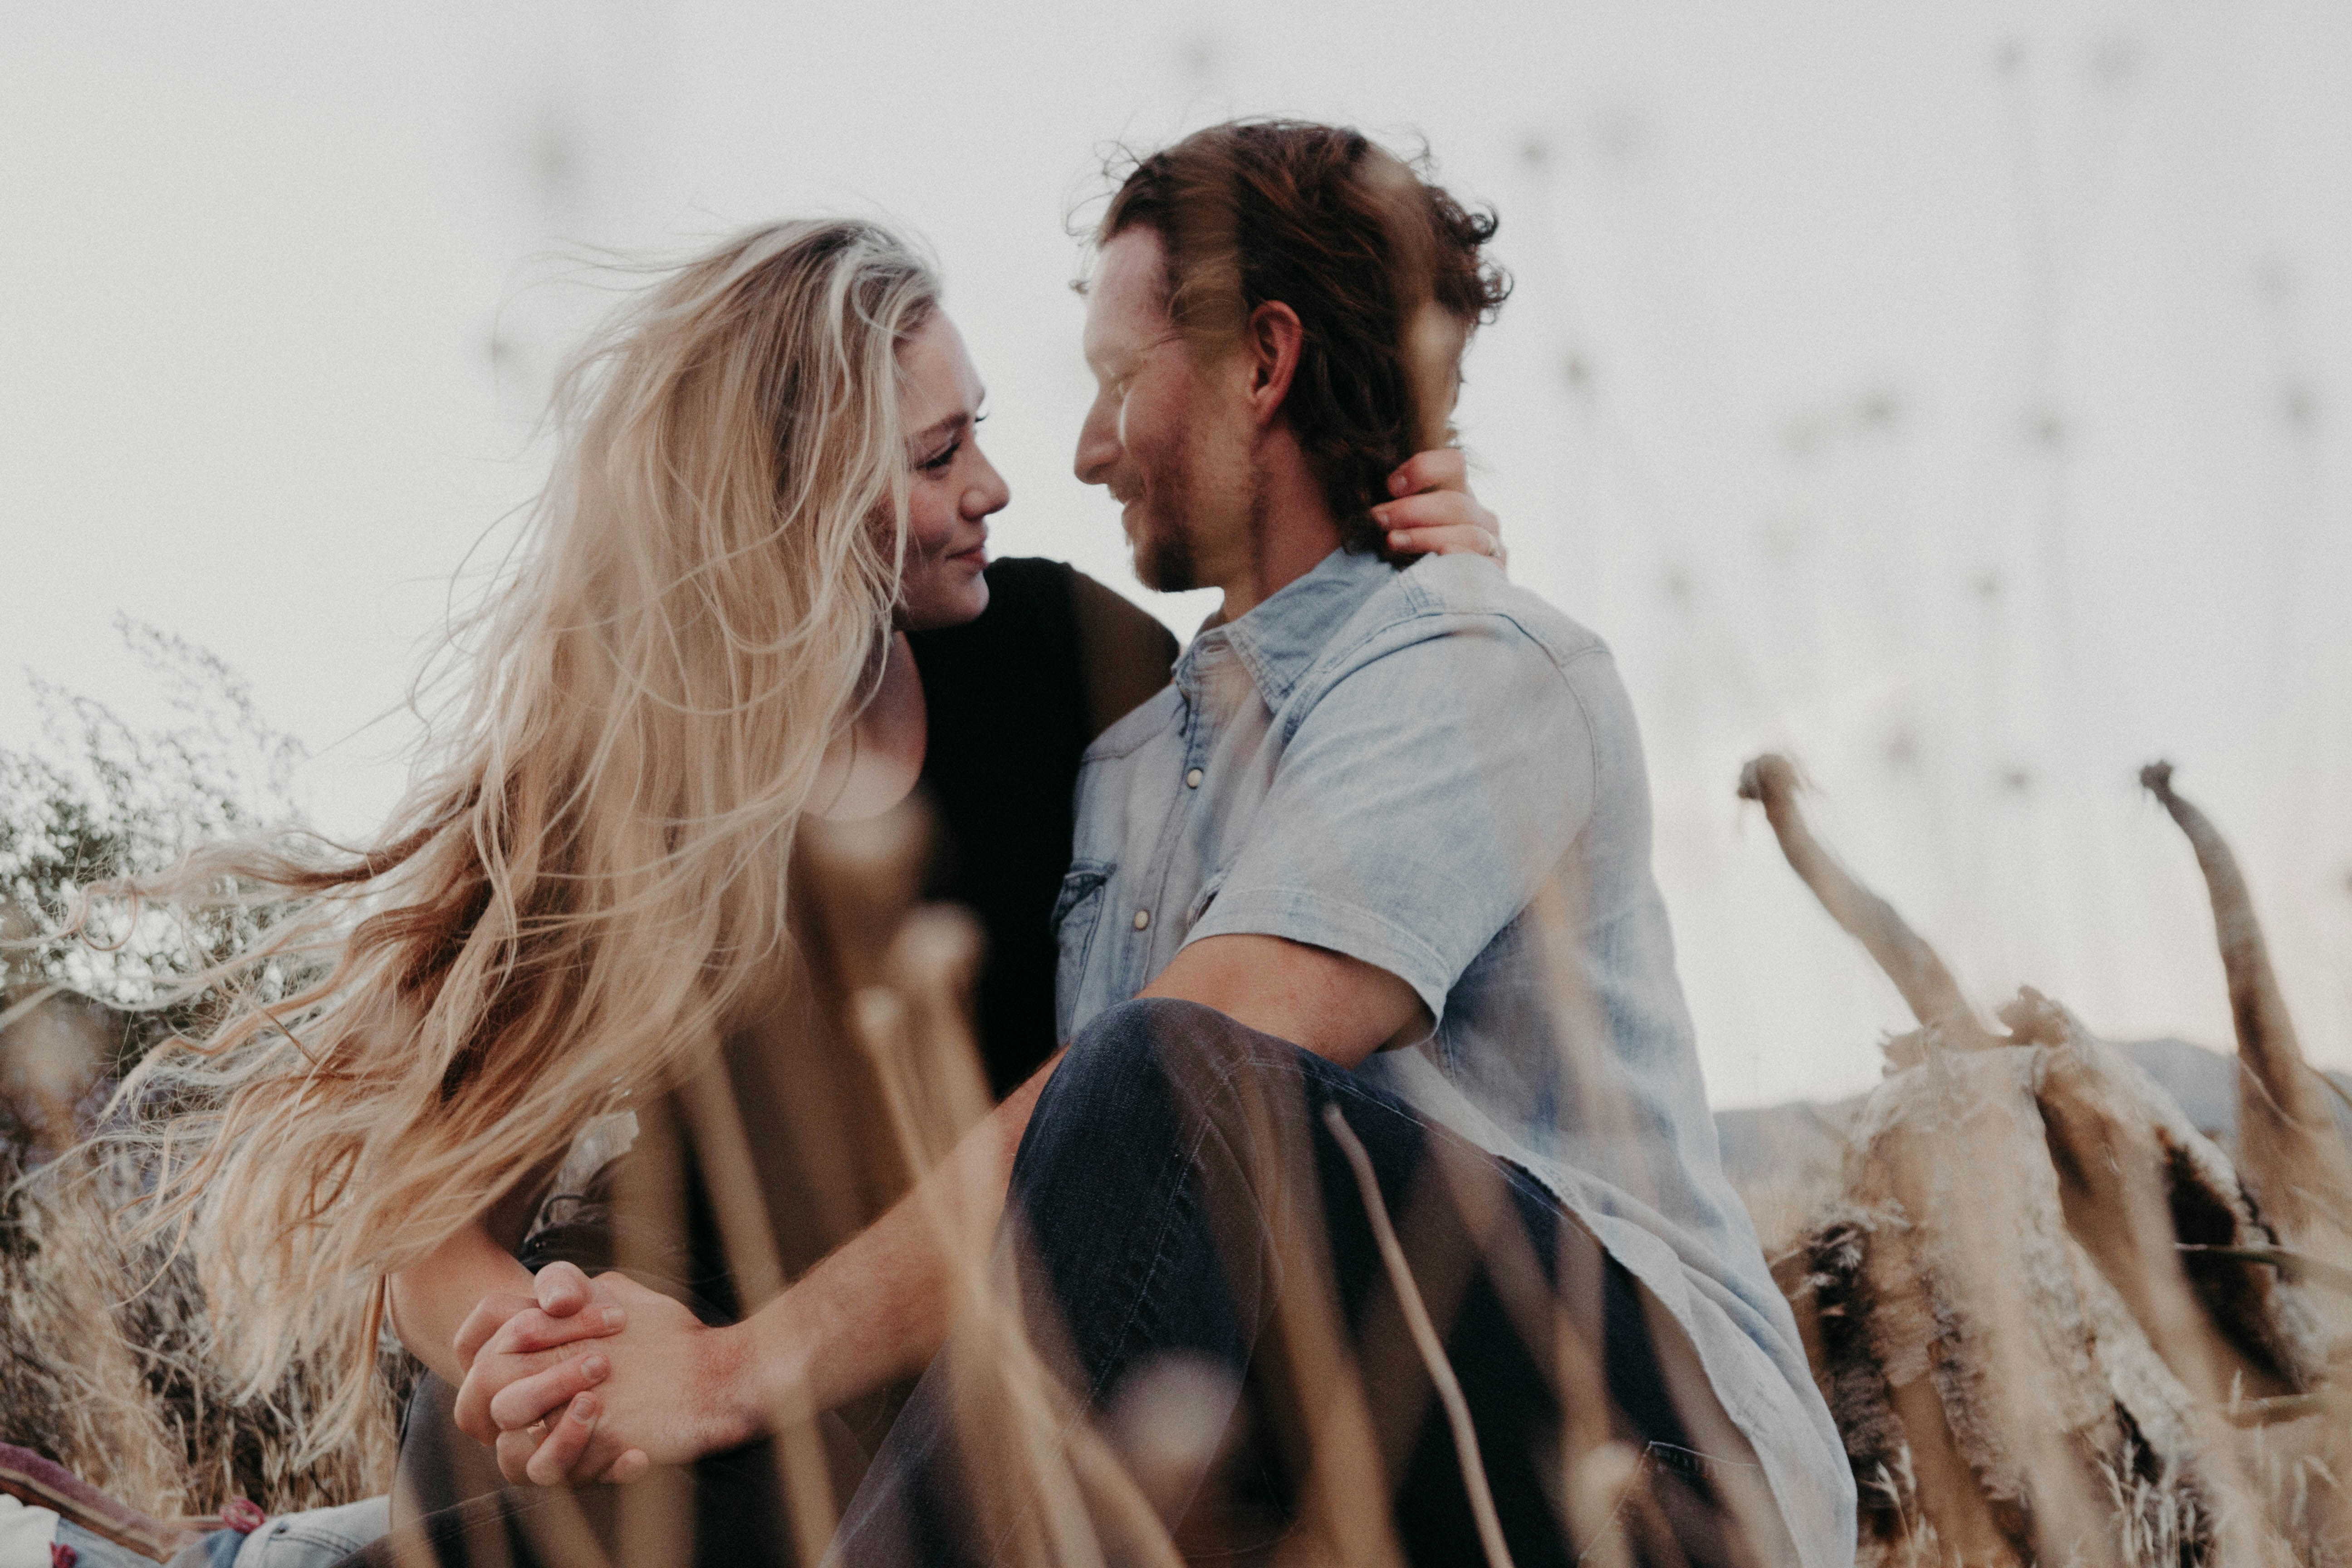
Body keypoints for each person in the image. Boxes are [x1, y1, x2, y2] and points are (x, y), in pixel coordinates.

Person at [460, 123, 1857, 1568]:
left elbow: (1204, 1072)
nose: (1079, 452)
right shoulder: (1128, 757)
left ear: (1264, 362)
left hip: (1656, 1466)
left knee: (1167, 1069)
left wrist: (736, 1368)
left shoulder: (1479, 665)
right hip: (1304, 1456)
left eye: (1118, 380)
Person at [69, 217, 1496, 1564]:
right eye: (938, 456)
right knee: (536, 1467)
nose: (993, 487)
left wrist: (1422, 592)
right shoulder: (616, 778)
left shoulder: (1072, 654)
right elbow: (435, 1222)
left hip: (961, 1342)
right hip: (678, 1328)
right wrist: (539, 1351)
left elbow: (1316, 859)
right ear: (793, 506)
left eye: (977, 431)